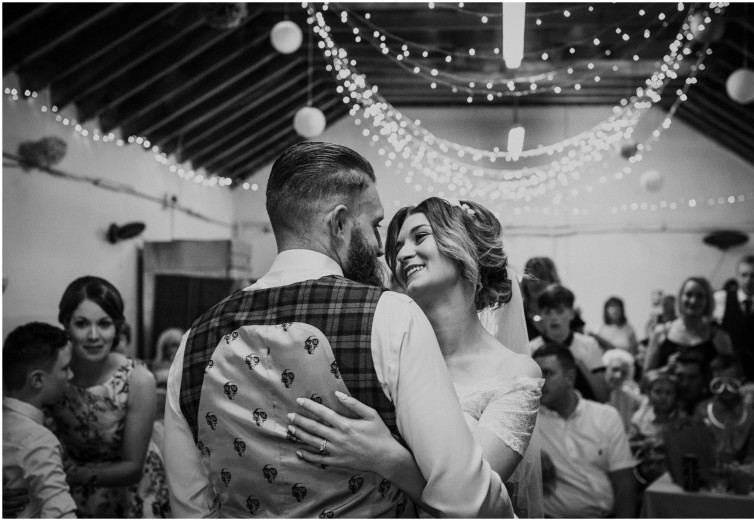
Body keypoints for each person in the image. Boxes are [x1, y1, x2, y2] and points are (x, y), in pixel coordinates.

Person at [162, 142, 515, 518]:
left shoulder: (193, 341)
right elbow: (466, 498)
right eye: (375, 225)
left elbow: (189, 507)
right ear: (341, 223)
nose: (382, 250)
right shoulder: (390, 316)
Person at [283, 196, 544, 517]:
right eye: (398, 246)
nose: (403, 254)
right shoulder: (389, 348)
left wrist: (385, 456)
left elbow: (473, 500)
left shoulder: (515, 373)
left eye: (420, 237)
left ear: (462, 245)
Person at [48, 276, 168, 518]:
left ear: (116, 327)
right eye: (82, 324)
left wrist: (68, 475)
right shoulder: (52, 370)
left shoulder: (137, 379)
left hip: (128, 493)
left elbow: (133, 468)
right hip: (63, 489)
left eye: (104, 324)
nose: (94, 335)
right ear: (66, 324)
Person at [532, 345, 637, 518]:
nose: (540, 382)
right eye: (536, 375)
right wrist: (530, 456)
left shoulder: (605, 416)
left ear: (570, 377)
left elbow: (624, 481)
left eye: (548, 373)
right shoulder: (529, 422)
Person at [3, 322, 77, 518]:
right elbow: (60, 513)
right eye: (65, 368)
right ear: (37, 380)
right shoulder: (38, 440)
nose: (71, 375)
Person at [529, 284, 610, 402]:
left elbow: (603, 395)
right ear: (541, 316)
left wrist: (579, 364)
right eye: (547, 312)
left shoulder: (589, 345)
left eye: (559, 311)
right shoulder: (532, 348)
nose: (553, 317)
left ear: (572, 314)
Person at [644, 276, 733, 371]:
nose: (693, 301)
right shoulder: (661, 332)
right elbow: (646, 376)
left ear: (708, 301)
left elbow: (729, 375)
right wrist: (666, 369)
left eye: (700, 296)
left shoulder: (719, 337)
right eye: (689, 294)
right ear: (680, 297)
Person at [713, 255, 754, 382]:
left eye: (753, 275)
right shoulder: (721, 299)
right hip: (725, 375)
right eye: (744, 275)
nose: (748, 280)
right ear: (737, 276)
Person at [602, 349, 641, 432]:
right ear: (606, 369)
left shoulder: (626, 395)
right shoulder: (595, 387)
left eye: (624, 373)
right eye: (614, 369)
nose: (618, 376)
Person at [671, 351, 711, 415]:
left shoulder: (712, 408)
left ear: (705, 379)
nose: (685, 384)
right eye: (680, 377)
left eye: (692, 378)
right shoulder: (665, 404)